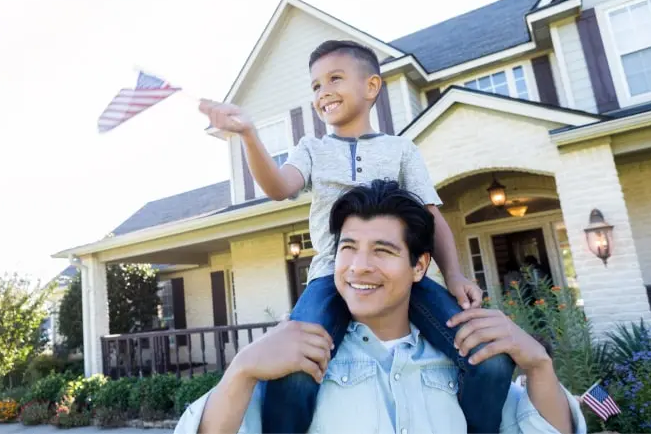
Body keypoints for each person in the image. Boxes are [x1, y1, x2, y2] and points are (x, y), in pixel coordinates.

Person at [197, 40, 514, 433]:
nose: (323, 91)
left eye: (334, 79)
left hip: (401, 279)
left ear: (371, 87)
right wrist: (248, 134)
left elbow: (432, 217)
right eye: (314, 86)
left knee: (493, 358)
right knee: (294, 371)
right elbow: (279, 186)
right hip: (332, 276)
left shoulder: (401, 150)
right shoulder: (311, 149)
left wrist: (454, 276)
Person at [174, 179, 586, 434]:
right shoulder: (298, 361)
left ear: (419, 266)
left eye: (383, 251)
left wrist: (538, 365)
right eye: (348, 248)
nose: (359, 267)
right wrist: (242, 369)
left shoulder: (465, 362)